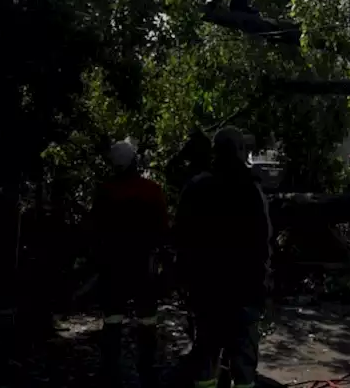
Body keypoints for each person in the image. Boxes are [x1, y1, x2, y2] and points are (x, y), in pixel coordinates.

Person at [174, 127, 272, 388]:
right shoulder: (252, 191)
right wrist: (262, 286)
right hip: (244, 292)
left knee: (205, 359)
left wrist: (186, 282)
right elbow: (263, 243)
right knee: (243, 367)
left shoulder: (195, 189)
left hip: (206, 292)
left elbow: (180, 240)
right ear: (240, 152)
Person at [91, 140, 170, 387]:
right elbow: (163, 229)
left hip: (113, 266)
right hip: (143, 264)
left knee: (113, 318)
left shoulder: (105, 192)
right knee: (146, 318)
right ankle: (147, 367)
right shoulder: (151, 190)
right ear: (135, 161)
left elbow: (95, 230)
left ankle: (110, 369)